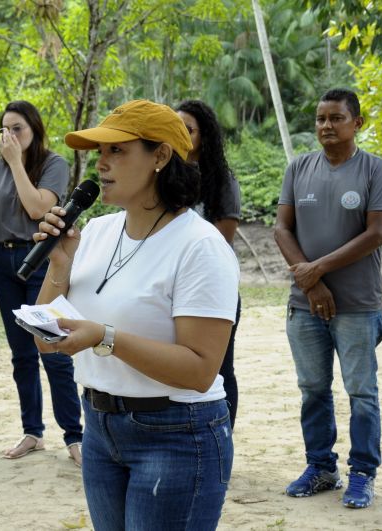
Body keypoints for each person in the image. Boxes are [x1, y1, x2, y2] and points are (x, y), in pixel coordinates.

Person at [33, 99, 238, 530]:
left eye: (117, 151)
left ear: (161, 156)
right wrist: (59, 265)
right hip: (100, 431)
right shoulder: (97, 232)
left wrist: (105, 337)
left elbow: (201, 370)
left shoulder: (200, 246)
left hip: (177, 436)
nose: (101, 164)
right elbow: (44, 339)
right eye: (99, 153)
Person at [274, 88, 382, 509]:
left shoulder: (375, 170)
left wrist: (318, 269)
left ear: (357, 123)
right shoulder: (299, 168)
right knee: (312, 389)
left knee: (361, 391)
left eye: (336, 118)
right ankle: (321, 467)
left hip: (358, 305)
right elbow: (282, 230)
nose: (326, 125)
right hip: (304, 304)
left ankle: (362, 473)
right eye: (321, 118)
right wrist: (309, 283)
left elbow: (376, 233)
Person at [0, 101, 83, 464]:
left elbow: (38, 209)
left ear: (35, 130)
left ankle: (74, 436)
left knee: (53, 350)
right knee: (21, 355)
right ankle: (32, 432)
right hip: (3, 262)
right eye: (4, 130)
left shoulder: (53, 164)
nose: (9, 136)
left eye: (18, 129)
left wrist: (14, 162)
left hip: (41, 258)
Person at [176, 99, 242, 429]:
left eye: (187, 129)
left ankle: (222, 436)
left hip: (212, 289)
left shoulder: (221, 180)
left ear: (205, 135)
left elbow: (221, 241)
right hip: (170, 289)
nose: (179, 134)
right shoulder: (163, 175)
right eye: (174, 128)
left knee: (219, 368)